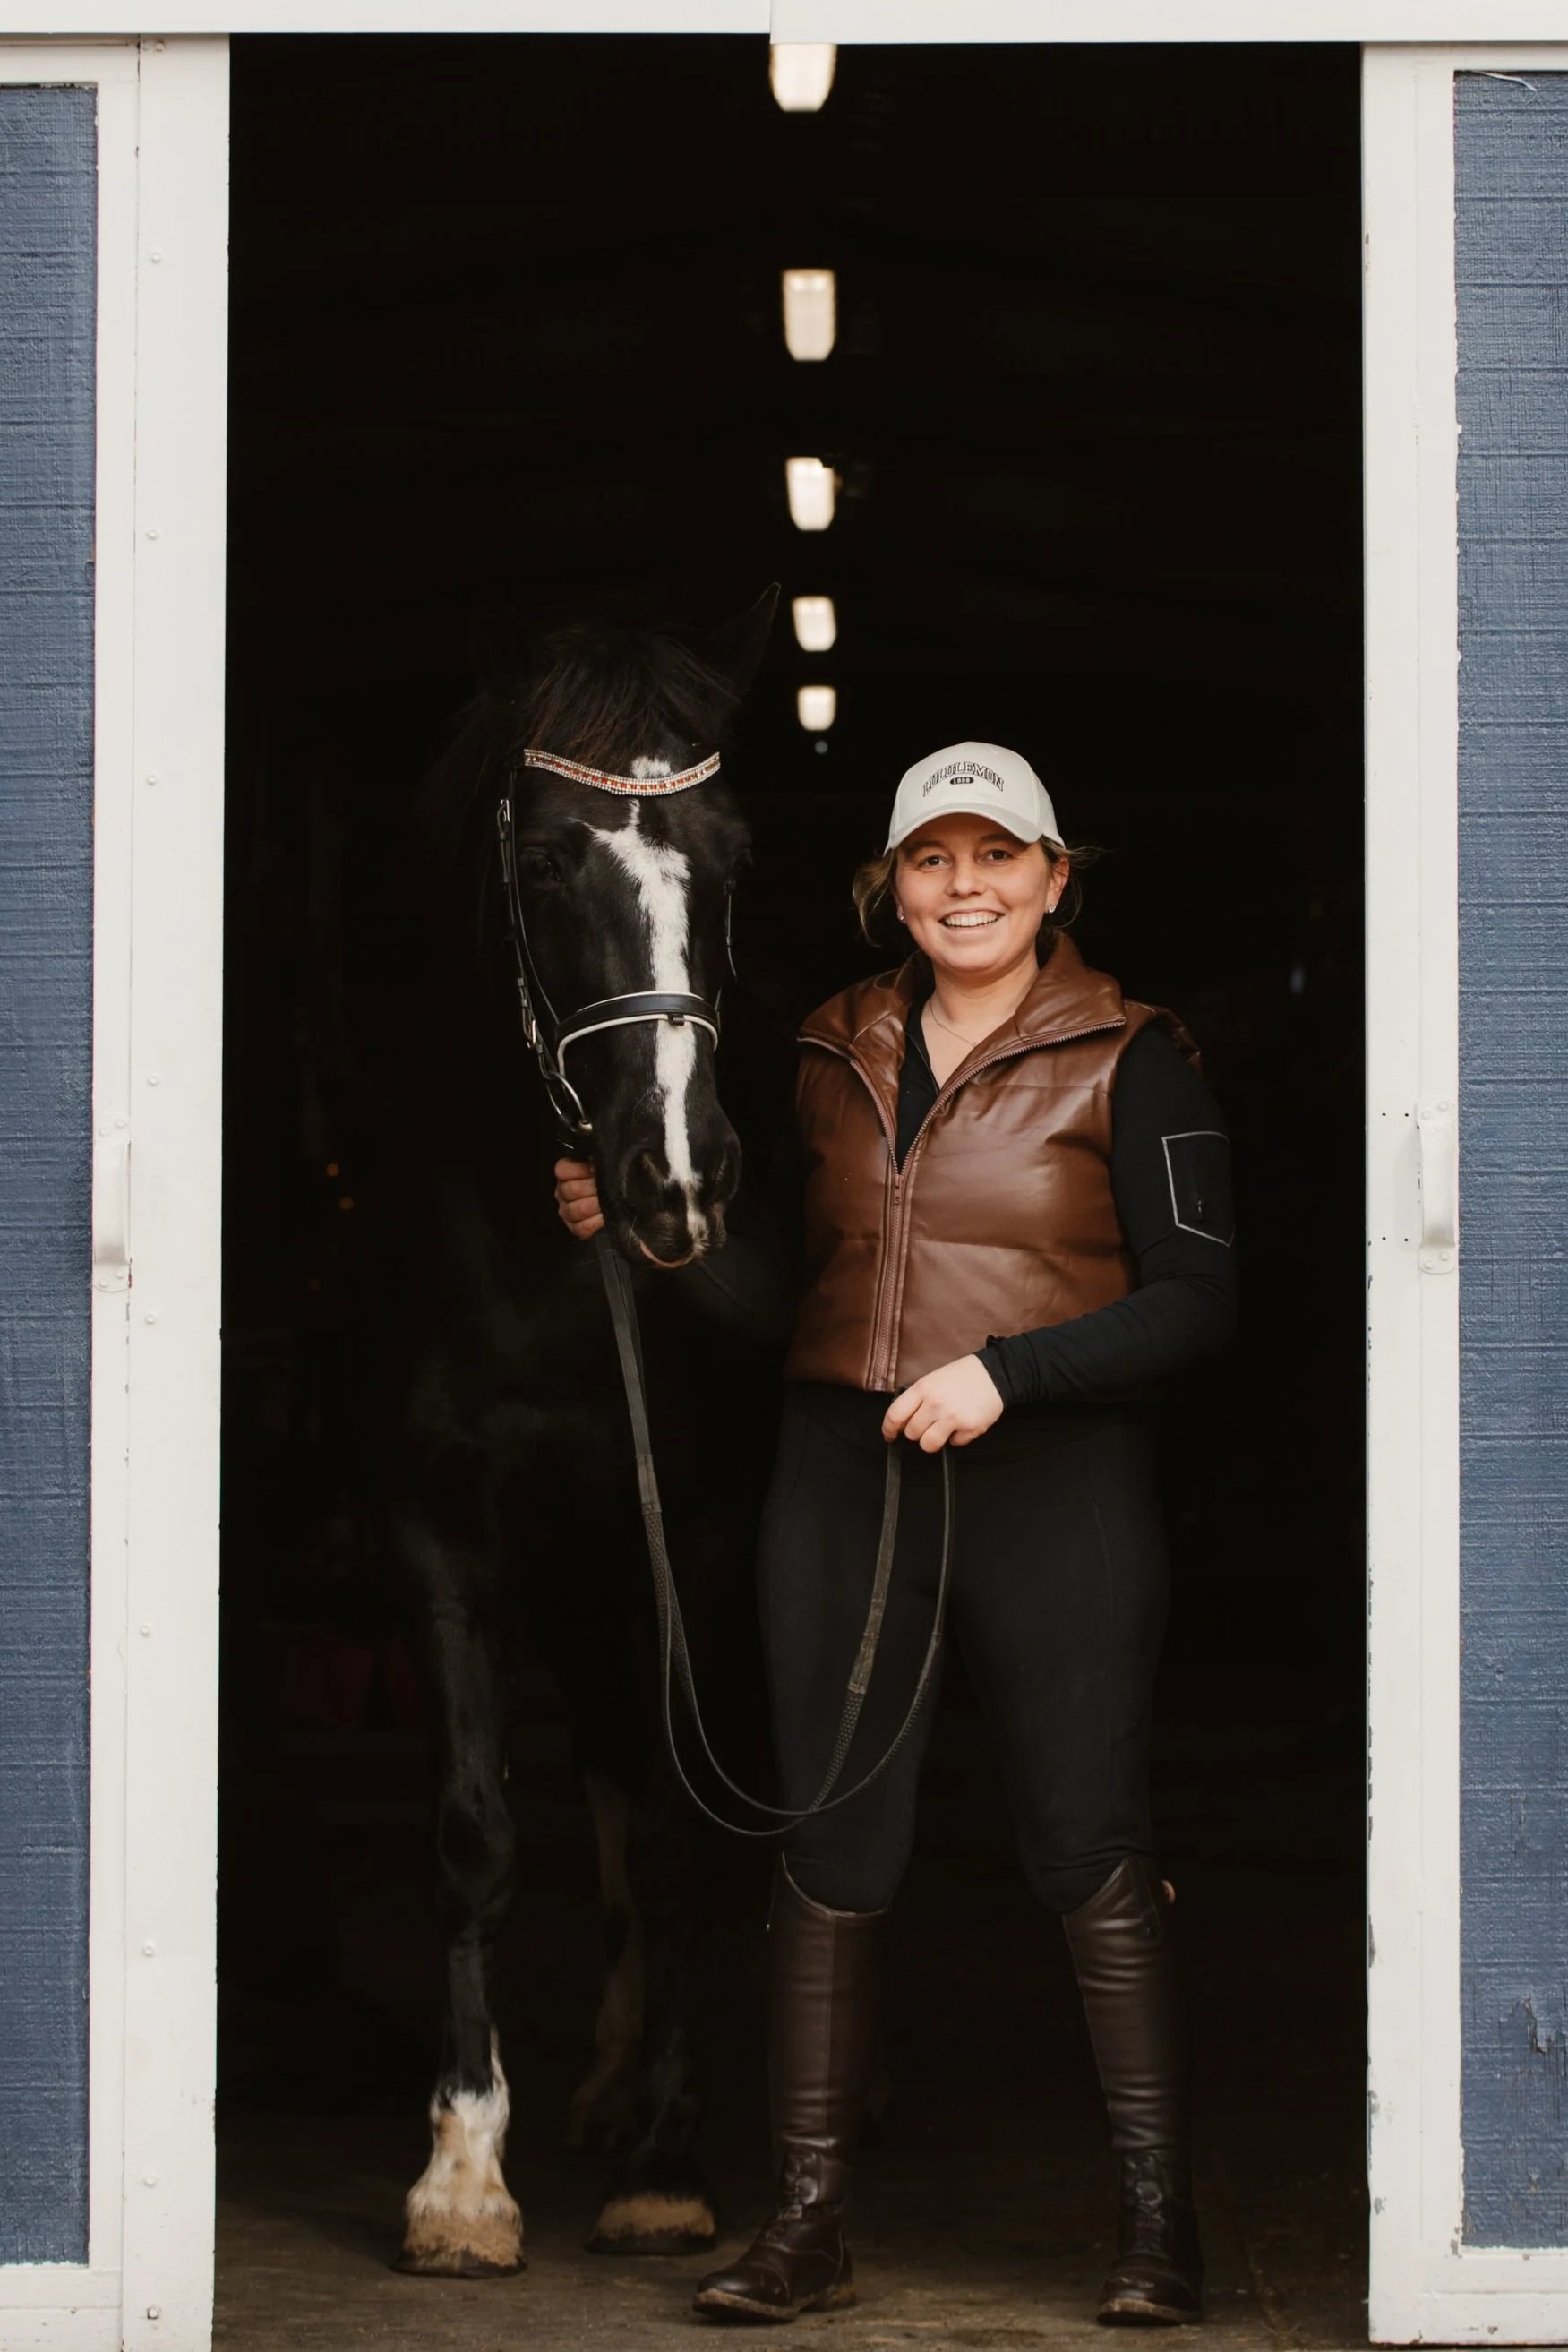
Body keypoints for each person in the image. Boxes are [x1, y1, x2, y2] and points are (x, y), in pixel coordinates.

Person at [554, 741, 1237, 2329]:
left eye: (998, 855)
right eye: (933, 858)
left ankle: (1158, 2226)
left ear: (1056, 877)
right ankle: (807, 2226)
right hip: (842, 1485)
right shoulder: (827, 1050)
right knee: (834, 1849)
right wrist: (650, 1239)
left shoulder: (1139, 1056)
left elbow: (1204, 1299)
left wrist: (1007, 1373)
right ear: (893, 885)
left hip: (1054, 1494)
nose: (966, 884)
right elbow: (791, 1289)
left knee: (1083, 1842)